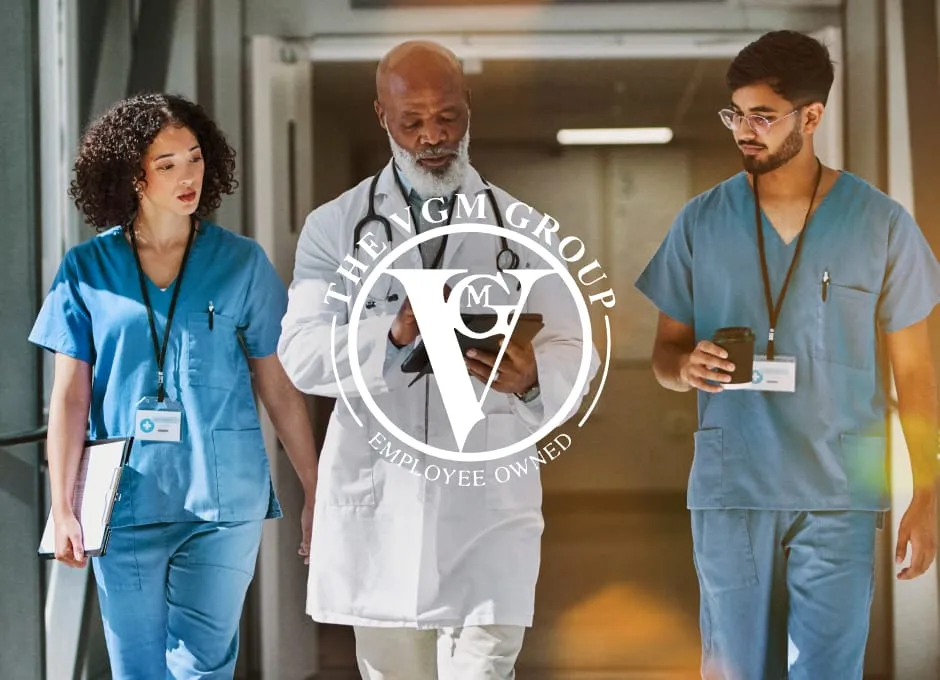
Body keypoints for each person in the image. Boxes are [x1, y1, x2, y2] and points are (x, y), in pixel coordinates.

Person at [277, 40, 598, 679]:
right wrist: (389, 338)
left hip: (487, 508)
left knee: (483, 669)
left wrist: (535, 376)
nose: (433, 136)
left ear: (468, 107)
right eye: (412, 122)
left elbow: (577, 343)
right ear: (380, 116)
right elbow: (300, 352)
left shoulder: (524, 229)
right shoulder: (336, 227)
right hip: (381, 504)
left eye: (447, 117)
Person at [635, 30, 940, 680]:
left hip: (840, 488)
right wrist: (682, 367)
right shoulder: (701, 221)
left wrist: (929, 492)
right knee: (736, 671)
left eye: (763, 117)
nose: (745, 130)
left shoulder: (880, 224)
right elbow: (665, 352)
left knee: (828, 672)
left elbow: (916, 373)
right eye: (735, 114)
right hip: (733, 486)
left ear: (811, 116)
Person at [28, 93, 319, 678]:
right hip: (126, 502)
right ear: (130, 175)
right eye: (167, 165)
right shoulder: (86, 269)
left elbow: (279, 387)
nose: (188, 176)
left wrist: (316, 490)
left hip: (223, 500)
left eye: (194, 157)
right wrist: (61, 508)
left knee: (203, 665)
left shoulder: (241, 263)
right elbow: (69, 397)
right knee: (137, 668)